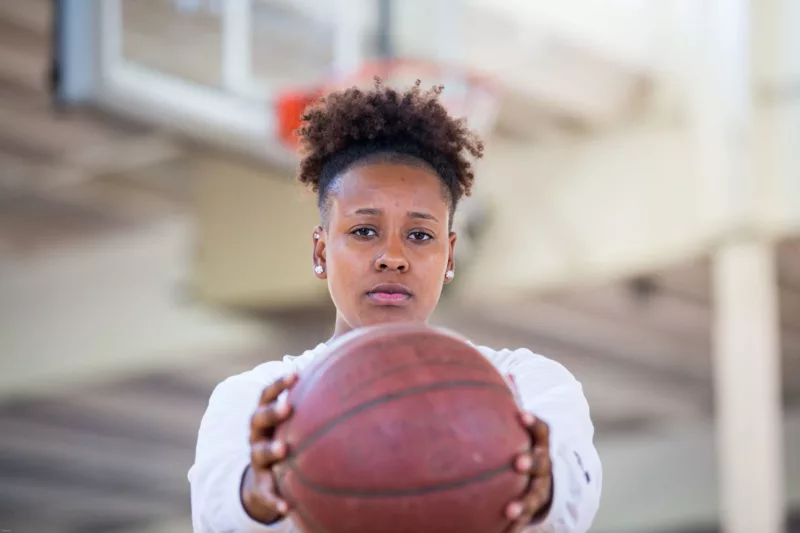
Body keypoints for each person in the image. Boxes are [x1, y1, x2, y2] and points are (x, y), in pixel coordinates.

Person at [189, 80, 602, 533]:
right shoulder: (258, 399)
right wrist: (256, 491)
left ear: (449, 255)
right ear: (321, 252)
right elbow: (217, 510)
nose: (393, 256)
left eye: (420, 236)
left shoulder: (525, 384)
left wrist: (542, 490)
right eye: (364, 231)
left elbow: (572, 498)